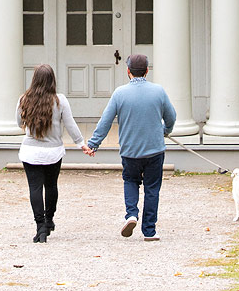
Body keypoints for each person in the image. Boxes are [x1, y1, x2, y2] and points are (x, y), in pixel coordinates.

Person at [86, 53, 176, 241]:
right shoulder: (159, 91)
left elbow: (106, 121)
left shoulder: (120, 93)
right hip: (155, 150)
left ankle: (131, 214)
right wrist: (165, 130)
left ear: (128, 71)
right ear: (147, 71)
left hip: (130, 151)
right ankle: (150, 230)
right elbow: (171, 116)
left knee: (130, 181)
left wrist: (94, 144)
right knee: (152, 188)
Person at [16, 63, 92, 243]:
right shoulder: (60, 100)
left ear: (34, 80)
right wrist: (81, 143)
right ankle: (49, 220)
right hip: (53, 152)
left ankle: (40, 226)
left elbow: (18, 122)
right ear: (52, 80)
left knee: (34, 188)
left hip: (30, 152)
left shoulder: (23, 99)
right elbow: (70, 124)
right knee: (51, 186)